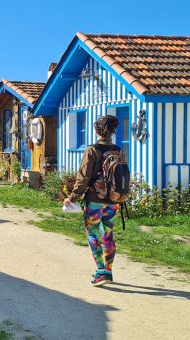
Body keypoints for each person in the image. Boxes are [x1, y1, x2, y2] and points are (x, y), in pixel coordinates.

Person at [63, 115, 122, 287]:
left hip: (95, 200)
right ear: (112, 131)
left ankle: (100, 272)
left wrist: (72, 197)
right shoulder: (117, 150)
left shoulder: (92, 150)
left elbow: (83, 178)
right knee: (108, 234)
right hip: (113, 200)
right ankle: (108, 271)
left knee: (93, 234)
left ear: (96, 130)